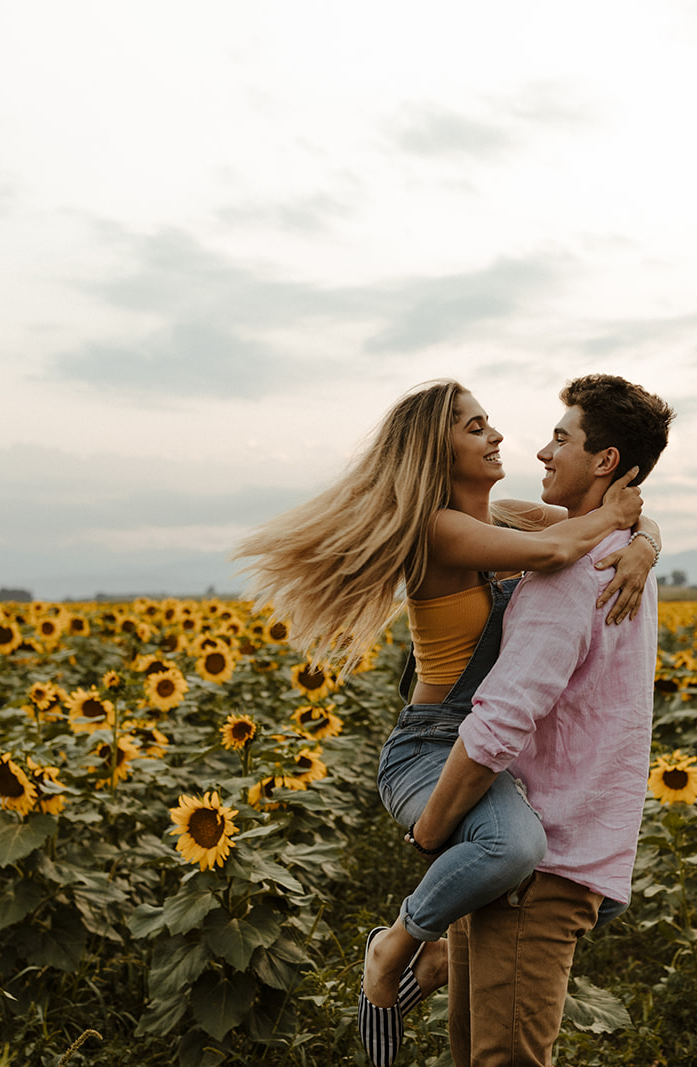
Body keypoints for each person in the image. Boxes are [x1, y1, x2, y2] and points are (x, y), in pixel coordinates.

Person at [229, 378, 663, 1066]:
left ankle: (435, 957)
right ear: (437, 449)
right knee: (514, 847)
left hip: (478, 748)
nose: (498, 437)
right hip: (432, 743)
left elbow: (597, 532)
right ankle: (397, 944)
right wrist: (628, 526)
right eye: (475, 427)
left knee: (514, 866)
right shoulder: (438, 526)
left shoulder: (510, 519)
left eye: (490, 423)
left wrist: (644, 539)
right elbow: (566, 549)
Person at [410, 374, 674, 1065]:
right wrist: (644, 535)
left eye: (561, 438)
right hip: (562, 849)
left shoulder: (571, 577)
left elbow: (497, 724)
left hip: (540, 863)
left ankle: (398, 946)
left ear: (606, 461)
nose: (541, 452)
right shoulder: (622, 562)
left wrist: (432, 829)